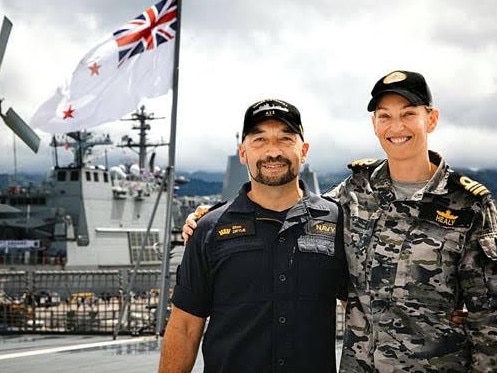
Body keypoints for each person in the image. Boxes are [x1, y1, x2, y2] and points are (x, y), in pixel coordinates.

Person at [180, 71, 497, 372]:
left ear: (431, 119)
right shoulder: (352, 194)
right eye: (385, 115)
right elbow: (292, 206)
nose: (396, 126)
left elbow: (489, 319)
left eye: (408, 113)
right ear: (374, 124)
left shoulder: (469, 205)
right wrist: (208, 216)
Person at [158, 99, 349, 372]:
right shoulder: (209, 229)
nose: (273, 151)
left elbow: (359, 308)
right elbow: (186, 326)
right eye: (259, 140)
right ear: (243, 152)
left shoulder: (337, 222)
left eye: (285, 139)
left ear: (303, 150)